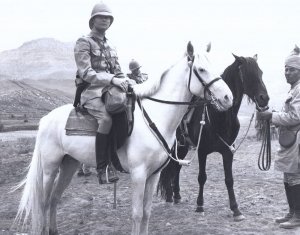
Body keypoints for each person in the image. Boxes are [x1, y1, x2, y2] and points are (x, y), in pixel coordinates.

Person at [74, 2, 129, 184]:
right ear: (93, 20)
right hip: (91, 92)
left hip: (111, 91)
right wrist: (112, 79)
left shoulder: (110, 45)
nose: (104, 19)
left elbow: (118, 70)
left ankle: (123, 156)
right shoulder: (84, 42)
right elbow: (86, 73)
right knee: (106, 119)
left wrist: (127, 81)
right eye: (101, 17)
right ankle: (103, 167)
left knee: (132, 109)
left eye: (108, 17)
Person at [257, 45, 300, 229]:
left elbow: (296, 116)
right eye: (285, 69)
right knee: (288, 177)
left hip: (297, 140)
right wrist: (272, 114)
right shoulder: (293, 90)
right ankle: (292, 212)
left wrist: (271, 116)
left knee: (295, 178)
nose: (286, 73)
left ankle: (298, 216)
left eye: (291, 70)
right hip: (290, 141)